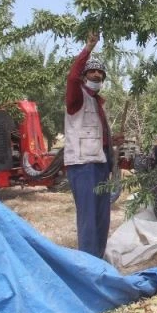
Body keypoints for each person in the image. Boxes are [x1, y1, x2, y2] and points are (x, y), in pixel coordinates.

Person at [64, 31, 120, 258]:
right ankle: (88, 265)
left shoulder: (97, 103)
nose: (97, 74)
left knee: (101, 217)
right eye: (92, 71)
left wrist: (113, 142)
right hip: (83, 166)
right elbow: (72, 78)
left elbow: (97, 136)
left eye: (100, 72)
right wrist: (88, 48)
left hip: (100, 165)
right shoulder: (76, 97)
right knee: (88, 219)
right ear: (86, 74)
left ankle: (98, 259)